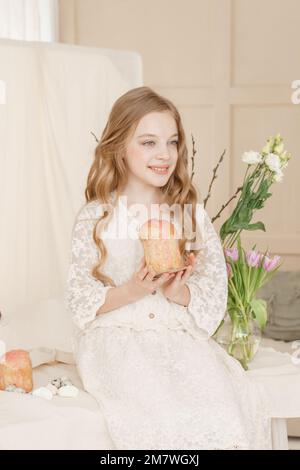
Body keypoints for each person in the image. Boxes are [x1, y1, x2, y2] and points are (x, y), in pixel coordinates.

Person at [65, 86, 272, 450]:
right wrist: (132, 290)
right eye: (148, 143)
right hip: (118, 342)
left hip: (179, 339)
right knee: (157, 414)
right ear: (119, 146)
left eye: (172, 142)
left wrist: (180, 292)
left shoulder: (188, 214)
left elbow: (211, 292)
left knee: (222, 410)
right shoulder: (97, 216)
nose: (164, 155)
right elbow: (80, 299)